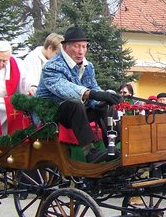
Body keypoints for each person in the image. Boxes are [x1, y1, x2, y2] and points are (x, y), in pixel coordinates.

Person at [34, 26, 120, 163]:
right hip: (51, 112)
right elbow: (64, 89)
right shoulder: (52, 66)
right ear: (65, 47)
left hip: (76, 113)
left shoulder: (87, 66)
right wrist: (94, 95)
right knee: (75, 105)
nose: (81, 51)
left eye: (84, 47)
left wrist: (101, 100)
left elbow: (92, 86)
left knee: (105, 105)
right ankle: (89, 152)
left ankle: (115, 146)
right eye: (77, 46)